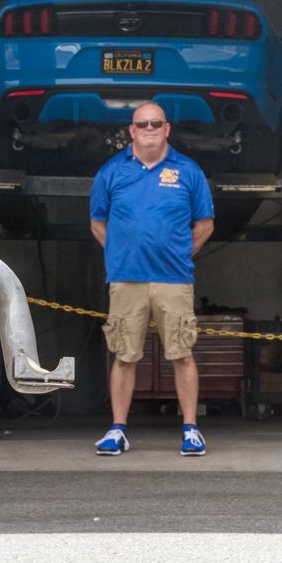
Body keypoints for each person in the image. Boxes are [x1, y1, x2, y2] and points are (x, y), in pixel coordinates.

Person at [89, 102, 215, 457]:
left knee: (181, 353)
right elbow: (98, 222)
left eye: (155, 123)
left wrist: (177, 254)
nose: (148, 128)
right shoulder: (111, 172)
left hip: (174, 279)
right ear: (131, 130)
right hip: (126, 279)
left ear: (167, 129)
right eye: (141, 124)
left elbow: (205, 225)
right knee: (124, 355)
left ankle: (191, 429)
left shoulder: (188, 171)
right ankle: (117, 430)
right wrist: (118, 254)